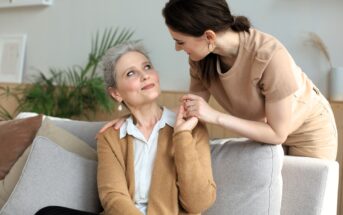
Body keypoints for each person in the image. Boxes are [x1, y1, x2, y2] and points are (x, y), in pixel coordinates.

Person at [101, 0, 337, 160]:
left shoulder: (269, 56)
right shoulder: (200, 58)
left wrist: (214, 116)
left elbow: (277, 133)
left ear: (209, 36)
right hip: (263, 131)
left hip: (308, 132)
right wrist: (135, 120)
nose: (176, 48)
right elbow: (190, 110)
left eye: (180, 41)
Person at [35, 42, 216, 215]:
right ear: (116, 93)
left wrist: (182, 135)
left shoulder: (191, 127)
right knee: (48, 213)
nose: (145, 75)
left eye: (147, 67)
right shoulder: (110, 136)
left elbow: (198, 203)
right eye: (131, 73)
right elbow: (113, 198)